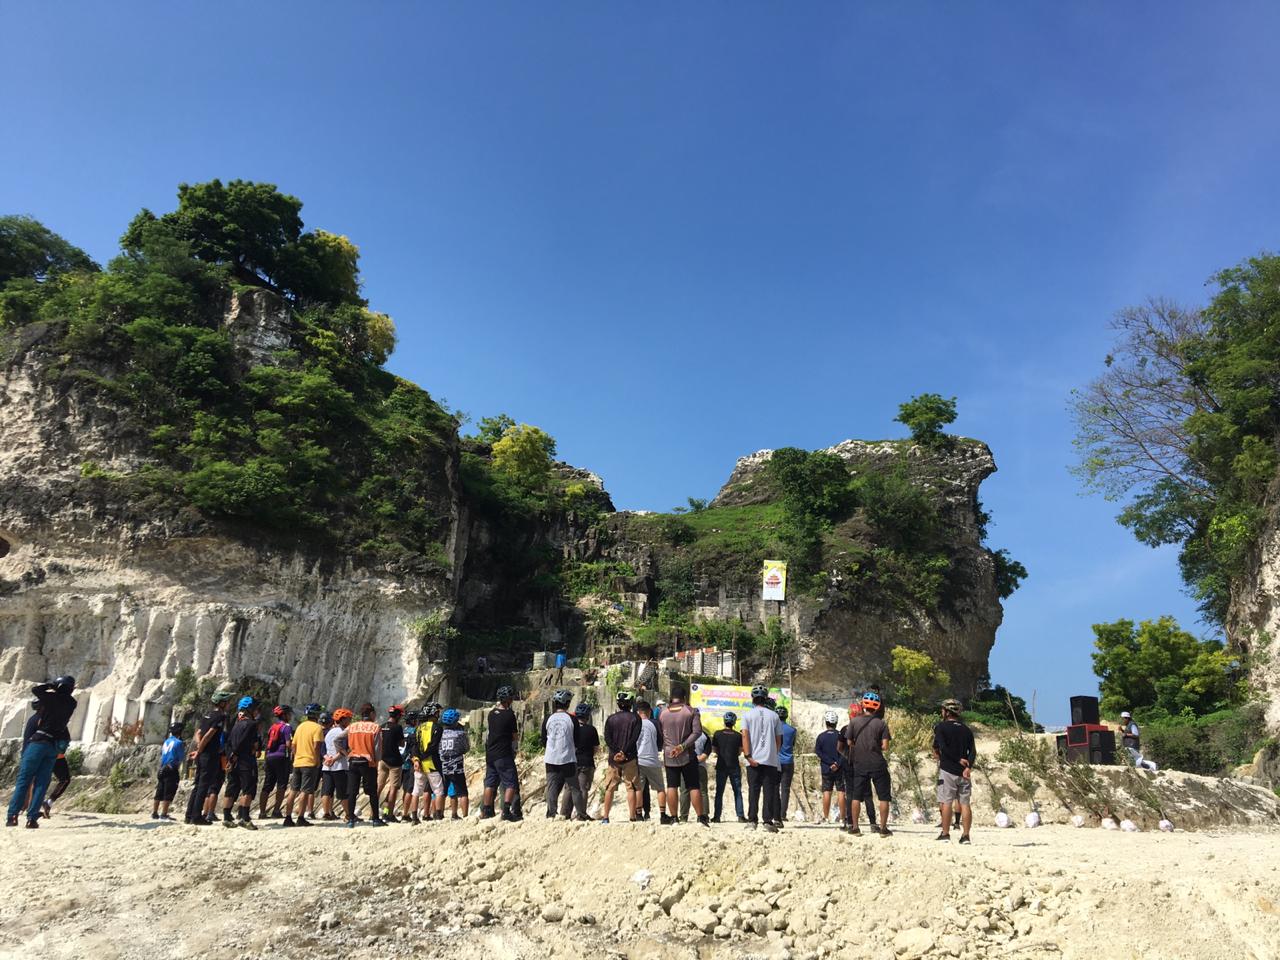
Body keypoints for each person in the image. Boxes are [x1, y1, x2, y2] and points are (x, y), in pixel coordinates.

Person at [7, 677, 78, 829]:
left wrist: (51, 685)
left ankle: (12, 816)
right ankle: (32, 819)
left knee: (24, 780)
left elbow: (36, 690)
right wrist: (58, 687)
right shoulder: (71, 703)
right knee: (42, 784)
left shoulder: (51, 698)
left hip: (38, 743)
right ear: (71, 689)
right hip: (52, 747)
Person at [844, 691, 892, 837]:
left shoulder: (854, 722)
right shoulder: (881, 723)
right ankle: (883, 829)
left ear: (863, 705)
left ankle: (855, 827)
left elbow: (849, 742)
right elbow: (885, 746)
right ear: (877, 707)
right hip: (878, 763)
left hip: (860, 764)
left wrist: (859, 745)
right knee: (883, 797)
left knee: (856, 796)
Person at [657, 687, 707, 826]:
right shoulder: (691, 711)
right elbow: (697, 732)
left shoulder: (662, 713)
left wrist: (671, 746)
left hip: (669, 754)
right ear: (684, 698)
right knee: (693, 786)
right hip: (687, 753)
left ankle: (674, 818)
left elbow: (660, 732)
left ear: (671, 698)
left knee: (672, 786)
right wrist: (682, 746)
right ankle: (700, 817)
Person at [185, 688, 233, 825]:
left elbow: (198, 733)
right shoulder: (220, 717)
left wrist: (199, 748)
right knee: (204, 786)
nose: (229, 704)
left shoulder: (207, 715)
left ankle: (189, 815)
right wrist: (200, 750)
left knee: (197, 784)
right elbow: (208, 735)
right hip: (210, 755)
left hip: (203, 754)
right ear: (222, 703)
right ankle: (196, 816)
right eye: (227, 702)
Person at [932, 698, 975, 843]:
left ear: (946, 712)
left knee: (947, 802)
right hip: (964, 773)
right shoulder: (967, 729)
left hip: (948, 770)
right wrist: (968, 767)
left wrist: (956, 759)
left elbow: (942, 748)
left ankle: (945, 833)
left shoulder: (941, 727)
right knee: (965, 804)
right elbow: (973, 751)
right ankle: (966, 836)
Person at [741, 685, 783, 832]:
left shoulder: (747, 715)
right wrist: (773, 753)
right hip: (770, 760)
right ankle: (767, 822)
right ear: (766, 699)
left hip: (753, 760)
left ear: (753, 698)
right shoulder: (774, 716)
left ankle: (752, 821)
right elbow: (778, 739)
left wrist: (748, 756)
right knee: (769, 791)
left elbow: (745, 736)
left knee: (753, 791)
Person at [600, 691, 642, 824]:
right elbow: (634, 738)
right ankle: (632, 817)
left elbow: (607, 738)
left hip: (614, 759)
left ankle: (606, 817)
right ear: (630, 704)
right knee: (631, 786)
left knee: (609, 787)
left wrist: (617, 752)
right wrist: (624, 751)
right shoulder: (636, 718)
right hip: (630, 757)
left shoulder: (610, 719)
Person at [544, 689, 586, 820]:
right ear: (567, 703)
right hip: (568, 758)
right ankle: (580, 814)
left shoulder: (548, 718)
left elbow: (543, 740)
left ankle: (551, 813)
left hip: (550, 758)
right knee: (574, 788)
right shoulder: (572, 719)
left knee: (551, 787)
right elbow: (577, 740)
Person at [221, 697, 262, 829]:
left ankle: (226, 817)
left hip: (234, 761)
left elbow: (228, 743)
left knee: (232, 788)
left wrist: (230, 757)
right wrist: (238, 753)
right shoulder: (252, 724)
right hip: (246, 760)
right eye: (255, 708)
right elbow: (245, 741)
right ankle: (244, 817)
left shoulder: (236, 725)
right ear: (249, 709)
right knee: (248, 789)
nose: (256, 711)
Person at [481, 686, 521, 821]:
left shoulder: (492, 714)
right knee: (511, 783)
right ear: (508, 699)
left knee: (490, 783)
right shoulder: (509, 715)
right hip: (503, 753)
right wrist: (515, 749)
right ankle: (506, 811)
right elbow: (514, 736)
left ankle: (486, 811)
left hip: (490, 754)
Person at [283, 703, 324, 827]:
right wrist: (317, 760)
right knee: (305, 791)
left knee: (293, 790)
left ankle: (288, 817)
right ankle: (300, 817)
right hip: (309, 762)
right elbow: (317, 746)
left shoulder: (300, 727)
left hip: (297, 762)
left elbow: (293, 745)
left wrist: (296, 757)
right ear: (317, 715)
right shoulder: (317, 728)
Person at [839, 699, 877, 831]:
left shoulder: (845, 729)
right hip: (864, 762)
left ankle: (850, 823)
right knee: (867, 794)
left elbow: (839, 747)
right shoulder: (867, 727)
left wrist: (847, 756)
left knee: (850, 793)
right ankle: (873, 823)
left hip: (849, 764)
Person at [345, 703, 385, 827]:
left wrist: (346, 753)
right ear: (371, 714)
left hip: (353, 761)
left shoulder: (352, 726)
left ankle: (351, 820)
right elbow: (377, 749)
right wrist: (377, 762)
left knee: (352, 792)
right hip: (368, 762)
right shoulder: (375, 727)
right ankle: (375, 819)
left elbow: (337, 739)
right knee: (372, 791)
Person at [561, 702, 598, 820]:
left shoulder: (570, 729)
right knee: (583, 788)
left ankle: (564, 814)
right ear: (587, 716)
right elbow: (595, 748)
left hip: (571, 761)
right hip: (586, 762)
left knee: (569, 788)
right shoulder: (591, 730)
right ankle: (580, 815)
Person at [634, 700, 668, 822]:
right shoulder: (655, 724)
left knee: (639, 788)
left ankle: (638, 815)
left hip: (639, 760)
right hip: (653, 760)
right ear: (649, 712)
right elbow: (660, 742)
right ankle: (663, 815)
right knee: (660, 788)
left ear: (638, 712)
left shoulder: (635, 724)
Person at [259, 704, 293, 820]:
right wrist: (291, 756)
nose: (290, 716)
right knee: (281, 784)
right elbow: (288, 744)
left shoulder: (272, 727)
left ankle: (262, 812)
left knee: (267, 785)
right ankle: (276, 810)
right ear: (284, 715)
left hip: (270, 757)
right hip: (281, 757)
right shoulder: (287, 727)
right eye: (289, 714)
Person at [711, 711, 745, 823]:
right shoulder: (738, 736)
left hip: (721, 765)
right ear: (734, 722)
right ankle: (740, 816)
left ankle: (717, 816)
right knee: (737, 791)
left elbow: (714, 749)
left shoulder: (717, 734)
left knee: (719, 792)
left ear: (724, 721)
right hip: (734, 766)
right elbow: (740, 751)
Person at [149, 721, 186, 821]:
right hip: (171, 767)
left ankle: (154, 813)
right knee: (169, 791)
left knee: (159, 791)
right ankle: (164, 814)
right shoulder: (179, 743)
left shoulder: (166, 741)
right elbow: (181, 758)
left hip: (162, 767)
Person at [815, 709, 845, 824]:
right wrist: (837, 763)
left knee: (827, 791)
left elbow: (818, 752)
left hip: (826, 768)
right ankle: (842, 818)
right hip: (840, 768)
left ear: (826, 722)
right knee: (841, 791)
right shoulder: (840, 735)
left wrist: (829, 763)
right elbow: (844, 752)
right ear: (836, 722)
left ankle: (826, 818)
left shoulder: (821, 737)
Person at [377, 705, 406, 822]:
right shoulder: (397, 727)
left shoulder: (382, 726)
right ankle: (389, 814)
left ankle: (374, 813)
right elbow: (402, 744)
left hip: (382, 759)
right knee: (393, 788)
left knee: (379, 786)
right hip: (395, 761)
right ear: (398, 716)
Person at [321, 710, 350, 821]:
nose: (349, 721)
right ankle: (348, 815)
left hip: (327, 766)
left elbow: (322, 749)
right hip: (339, 766)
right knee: (343, 792)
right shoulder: (343, 732)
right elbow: (343, 749)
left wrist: (327, 758)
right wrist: (334, 759)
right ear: (343, 720)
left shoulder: (329, 732)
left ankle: (326, 813)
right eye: (348, 719)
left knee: (327, 791)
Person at [678, 726, 710, 823]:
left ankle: (683, 816)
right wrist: (697, 760)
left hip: (685, 764)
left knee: (684, 791)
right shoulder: (704, 735)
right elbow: (706, 753)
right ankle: (704, 815)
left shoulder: (683, 734)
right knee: (703, 792)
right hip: (700, 766)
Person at [776, 704, 797, 824]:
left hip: (775, 761)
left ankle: (775, 813)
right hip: (788, 762)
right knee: (785, 789)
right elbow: (792, 744)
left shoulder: (773, 729)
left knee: (774, 788)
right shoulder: (792, 730)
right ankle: (783, 814)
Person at [399, 710, 420, 822]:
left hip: (399, 764)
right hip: (409, 763)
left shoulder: (402, 730)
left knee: (395, 789)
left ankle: (387, 812)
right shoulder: (415, 732)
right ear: (413, 721)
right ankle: (405, 814)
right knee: (409, 790)